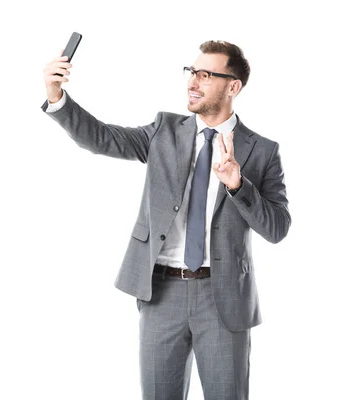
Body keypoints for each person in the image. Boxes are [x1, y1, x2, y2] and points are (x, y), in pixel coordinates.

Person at [40, 40, 291, 400]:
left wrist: (238, 185)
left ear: (233, 86)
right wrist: (57, 96)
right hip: (161, 292)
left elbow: (278, 228)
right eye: (192, 72)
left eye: (206, 75)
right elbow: (101, 139)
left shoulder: (262, 150)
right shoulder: (164, 131)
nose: (193, 81)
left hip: (223, 299)